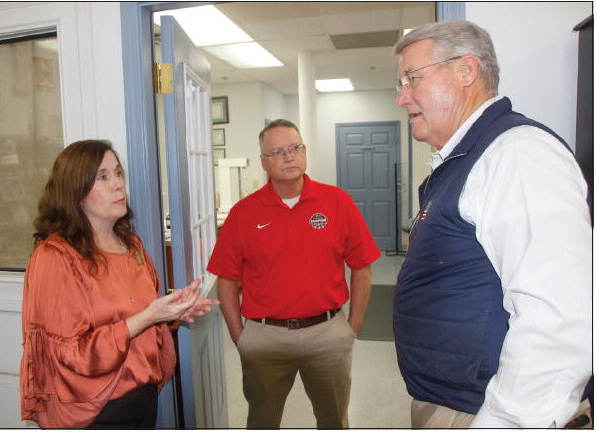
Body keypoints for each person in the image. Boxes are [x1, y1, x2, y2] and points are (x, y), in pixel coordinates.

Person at [392, 19, 592, 428]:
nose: (401, 98)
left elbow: (557, 318)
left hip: (482, 412)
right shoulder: (464, 159)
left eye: (411, 79)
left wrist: (506, 422)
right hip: (452, 400)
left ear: (466, 70)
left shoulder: (517, 155)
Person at [19, 140, 219, 428]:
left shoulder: (131, 244)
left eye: (118, 173)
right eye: (102, 177)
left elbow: (136, 318)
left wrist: (170, 315)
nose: (118, 185)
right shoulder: (56, 257)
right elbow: (70, 354)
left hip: (142, 395)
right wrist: (149, 316)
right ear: (75, 192)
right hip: (94, 410)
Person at [207, 119, 381, 428]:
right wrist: (241, 338)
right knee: (262, 420)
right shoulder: (243, 213)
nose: (289, 157)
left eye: (295, 148)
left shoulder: (337, 202)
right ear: (263, 162)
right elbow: (227, 280)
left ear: (304, 152)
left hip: (327, 334)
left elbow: (362, 266)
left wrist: (350, 328)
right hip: (265, 337)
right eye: (277, 152)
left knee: (334, 421)